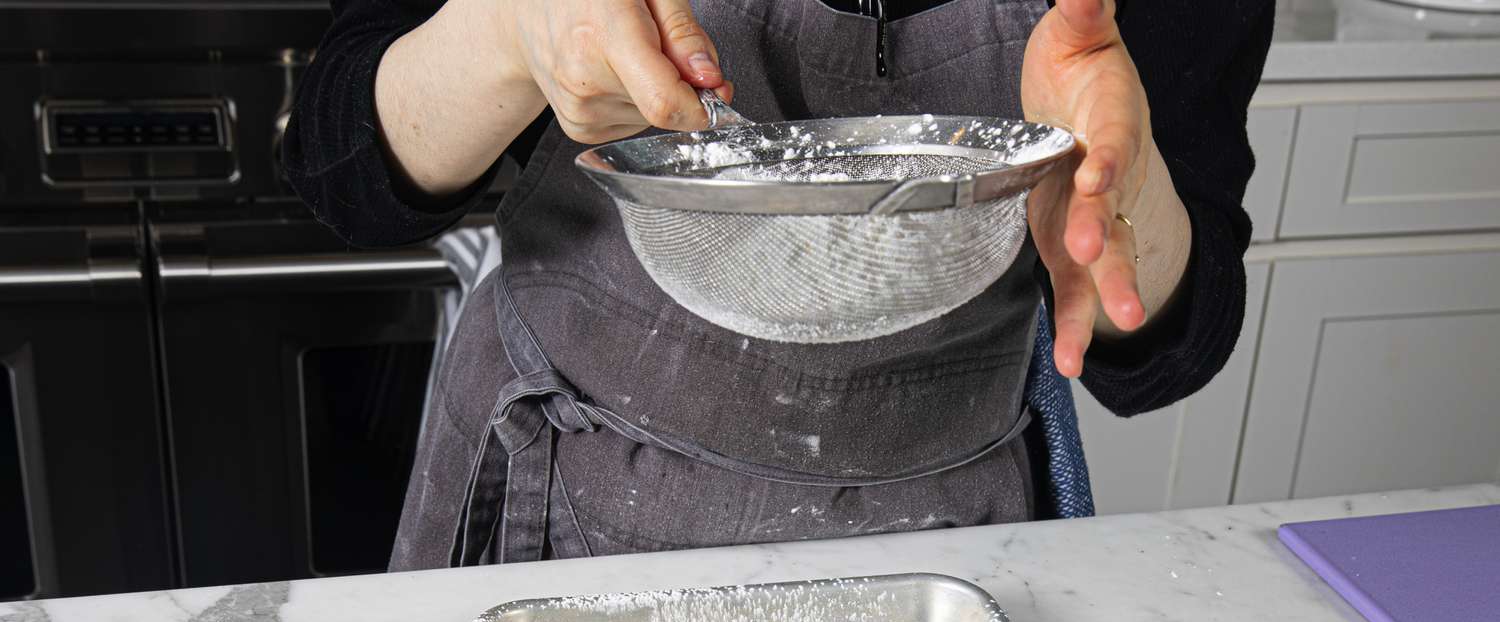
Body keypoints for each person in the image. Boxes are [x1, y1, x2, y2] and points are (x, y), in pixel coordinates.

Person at [283, 0, 1273, 567]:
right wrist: (508, 29)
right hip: (553, 486)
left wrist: (1121, 192)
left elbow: (1168, 349)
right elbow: (345, 167)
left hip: (948, 542)